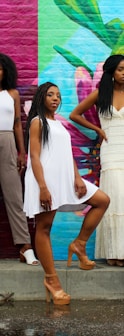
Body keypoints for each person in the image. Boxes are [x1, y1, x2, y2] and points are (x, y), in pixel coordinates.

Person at [23, 81, 109, 305]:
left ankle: (79, 244)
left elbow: (65, 153)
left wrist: (77, 177)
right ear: (41, 97)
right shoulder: (37, 122)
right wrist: (42, 186)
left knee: (102, 200)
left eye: (58, 96)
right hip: (45, 180)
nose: (55, 99)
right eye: (50, 95)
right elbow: (34, 156)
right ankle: (52, 280)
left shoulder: (57, 124)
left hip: (66, 178)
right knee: (44, 227)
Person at [69, 54, 124, 267]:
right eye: (120, 69)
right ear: (111, 72)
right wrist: (98, 129)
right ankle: (113, 252)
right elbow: (75, 114)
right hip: (110, 151)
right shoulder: (101, 94)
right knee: (114, 198)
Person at [0, 53, 39, 265]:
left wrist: (21, 152)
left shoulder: (12, 94)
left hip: (7, 142)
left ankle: (25, 247)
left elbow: (17, 124)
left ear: (5, 71)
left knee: (14, 196)